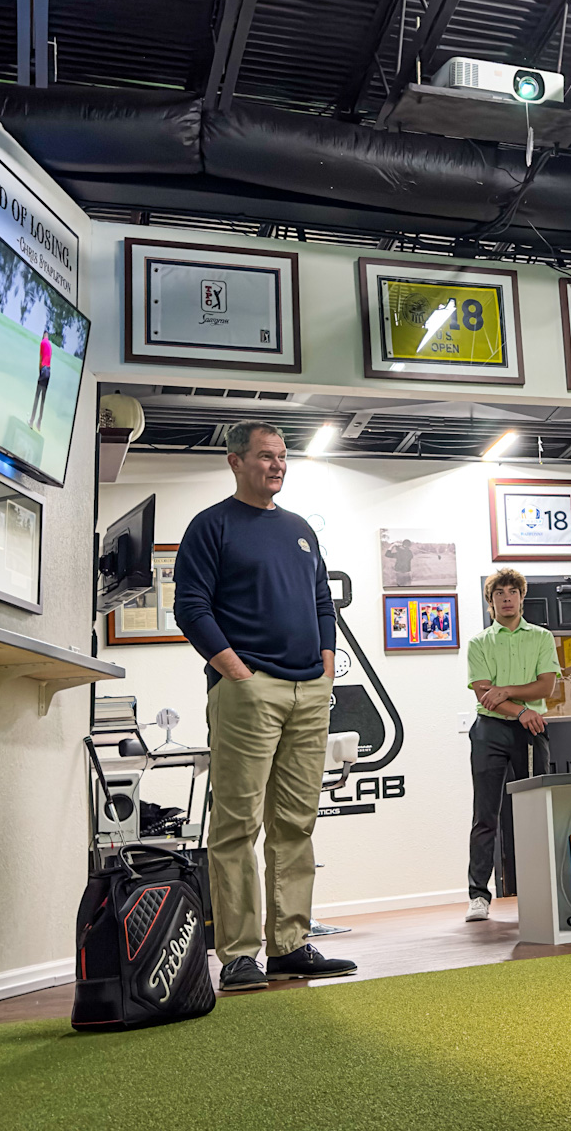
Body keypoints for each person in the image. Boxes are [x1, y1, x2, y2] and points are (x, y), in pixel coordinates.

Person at [172, 420, 357, 991]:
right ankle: (238, 954)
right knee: (236, 826)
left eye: (282, 457)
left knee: (296, 824)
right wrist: (237, 673)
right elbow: (190, 607)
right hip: (249, 692)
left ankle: (290, 944)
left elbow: (323, 603)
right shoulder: (212, 527)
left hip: (309, 692)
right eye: (264, 456)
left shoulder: (301, 530)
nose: (276, 465)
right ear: (235, 461)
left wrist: (327, 668)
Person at [463, 568, 559, 923]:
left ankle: (543, 888)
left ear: (521, 597)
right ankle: (478, 896)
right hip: (491, 731)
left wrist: (508, 692)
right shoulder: (479, 643)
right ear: (491, 603)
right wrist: (519, 710)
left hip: (531, 732)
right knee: (485, 815)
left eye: (512, 592)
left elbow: (546, 687)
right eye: (499, 593)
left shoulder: (541, 638)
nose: (506, 597)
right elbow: (484, 695)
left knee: (536, 810)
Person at [30, 332, 52, 430]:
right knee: (43, 399)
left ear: (43, 335)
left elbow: (41, 359)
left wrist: (39, 372)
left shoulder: (42, 342)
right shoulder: (50, 345)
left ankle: (31, 421)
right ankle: (39, 423)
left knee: (37, 397)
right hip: (49, 372)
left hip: (43, 371)